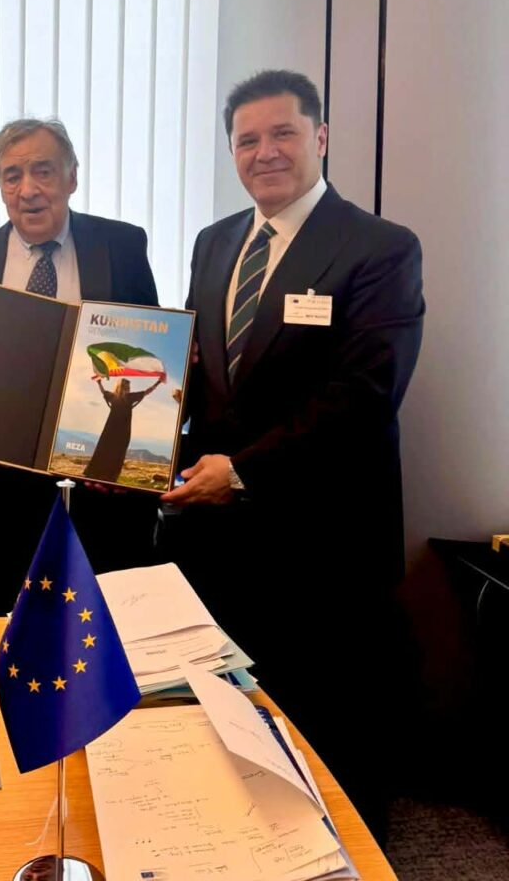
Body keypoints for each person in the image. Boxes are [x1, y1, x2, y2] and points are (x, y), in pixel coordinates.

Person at [161, 68, 424, 835]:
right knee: (232, 722)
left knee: (328, 725)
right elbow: (201, 376)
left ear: (321, 137)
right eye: (247, 140)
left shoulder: (379, 248)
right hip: (222, 542)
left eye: (283, 133)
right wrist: (133, 448)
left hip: (324, 540)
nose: (265, 151)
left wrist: (244, 472)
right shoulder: (215, 243)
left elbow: (365, 394)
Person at [0, 117, 160, 611]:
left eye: (44, 171)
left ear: (72, 176)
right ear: (0, 186)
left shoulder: (121, 247)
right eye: (12, 175)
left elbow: (145, 350)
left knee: (100, 632)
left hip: (96, 493)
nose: (28, 189)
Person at [85, 376, 163, 482]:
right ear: (125, 387)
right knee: (118, 453)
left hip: (110, 430)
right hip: (123, 432)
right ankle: (110, 476)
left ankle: (95, 473)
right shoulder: (129, 397)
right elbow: (146, 392)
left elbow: (103, 392)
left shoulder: (113, 397)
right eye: (128, 386)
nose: (128, 388)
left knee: (104, 449)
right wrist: (158, 382)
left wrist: (99, 383)